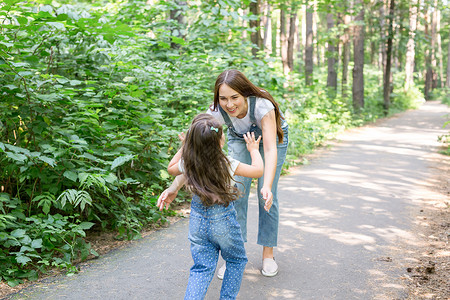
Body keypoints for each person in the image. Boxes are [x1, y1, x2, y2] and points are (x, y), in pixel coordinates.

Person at [157, 113, 269, 300]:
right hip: (222, 219)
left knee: (202, 267)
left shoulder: (189, 162)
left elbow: (171, 167)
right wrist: (253, 150)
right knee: (236, 260)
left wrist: (185, 145)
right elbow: (257, 171)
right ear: (219, 142)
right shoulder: (226, 163)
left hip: (198, 219)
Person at [207, 69, 289, 278]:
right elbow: (197, 139)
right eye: (223, 98)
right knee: (236, 193)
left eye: (235, 97)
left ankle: (268, 255)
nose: (230, 104)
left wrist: (267, 185)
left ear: (245, 93)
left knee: (267, 196)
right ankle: (234, 257)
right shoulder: (215, 111)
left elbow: (270, 149)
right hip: (240, 139)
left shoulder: (263, 106)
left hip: (272, 140)